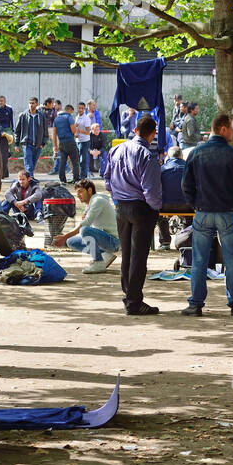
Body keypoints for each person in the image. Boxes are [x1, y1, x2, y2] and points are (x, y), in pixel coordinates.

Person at [182, 113, 233, 317]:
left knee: (199, 260)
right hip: (228, 212)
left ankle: (196, 303)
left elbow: (186, 185)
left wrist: (196, 204)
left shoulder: (196, 153)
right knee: (232, 259)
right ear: (223, 129)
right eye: (231, 127)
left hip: (203, 212)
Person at [102, 115, 163, 315]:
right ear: (152, 134)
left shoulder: (116, 149)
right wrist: (156, 208)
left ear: (135, 130)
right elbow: (151, 190)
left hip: (122, 207)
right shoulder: (146, 155)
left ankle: (129, 295)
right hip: (141, 208)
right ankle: (134, 301)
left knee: (127, 255)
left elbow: (107, 180)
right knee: (138, 257)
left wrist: (117, 198)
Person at [54, 180, 119, 273]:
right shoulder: (89, 204)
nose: (78, 195)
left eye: (80, 191)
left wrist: (64, 236)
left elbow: (85, 225)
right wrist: (66, 238)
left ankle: (98, 263)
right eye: (77, 193)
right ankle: (104, 255)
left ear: (89, 190)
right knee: (71, 241)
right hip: (102, 239)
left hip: (113, 241)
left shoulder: (98, 201)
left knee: (84, 230)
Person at [15, 97, 45, 176]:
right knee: (29, 165)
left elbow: (45, 131)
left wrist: (43, 143)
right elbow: (17, 131)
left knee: (33, 164)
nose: (31, 105)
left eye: (33, 103)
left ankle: (29, 178)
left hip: (38, 145)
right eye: (30, 103)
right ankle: (30, 181)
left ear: (36, 104)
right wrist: (16, 144)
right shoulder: (23, 115)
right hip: (27, 144)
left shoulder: (41, 116)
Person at [53, 100, 82, 182]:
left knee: (62, 162)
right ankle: (76, 179)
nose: (71, 114)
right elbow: (73, 131)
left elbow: (54, 134)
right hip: (70, 142)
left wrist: (55, 146)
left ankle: (62, 180)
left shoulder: (56, 119)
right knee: (75, 162)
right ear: (69, 110)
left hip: (61, 143)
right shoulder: (69, 117)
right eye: (71, 112)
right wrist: (76, 128)